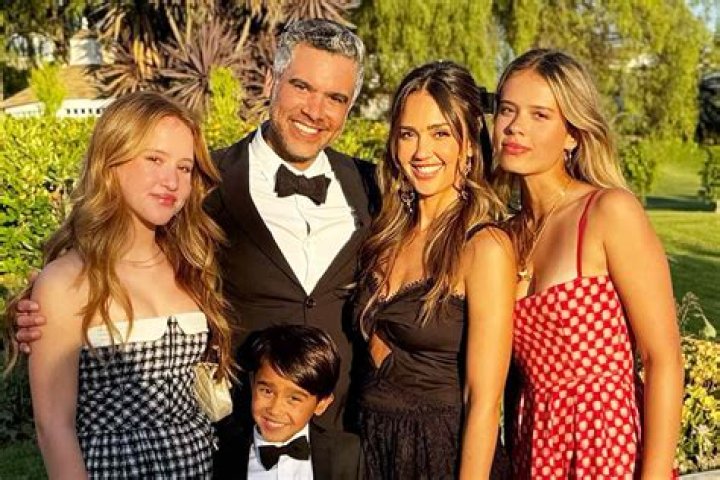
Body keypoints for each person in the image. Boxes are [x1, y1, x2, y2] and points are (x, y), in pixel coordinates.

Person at [14, 19, 376, 434]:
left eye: (335, 97)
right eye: (302, 86)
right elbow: (121, 251)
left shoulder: (372, 187)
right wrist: (46, 305)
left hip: (343, 441)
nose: (315, 109)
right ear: (271, 81)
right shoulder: (201, 181)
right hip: (232, 443)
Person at [3, 91, 234, 478]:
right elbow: (54, 428)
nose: (172, 181)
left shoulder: (192, 264)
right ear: (111, 160)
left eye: (184, 167)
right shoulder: (67, 281)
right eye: (154, 159)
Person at [493, 49, 683, 478]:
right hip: (534, 447)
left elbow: (662, 358)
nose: (516, 126)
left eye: (540, 115)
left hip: (607, 445)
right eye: (507, 109)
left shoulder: (607, 212)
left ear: (572, 134)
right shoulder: (505, 236)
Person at [353, 61, 514, 479]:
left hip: (441, 455)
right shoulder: (385, 233)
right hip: (373, 451)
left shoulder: (484, 247)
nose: (421, 152)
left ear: (469, 145)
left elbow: (483, 402)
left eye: (440, 133)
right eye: (409, 134)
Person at [214, 325, 363, 479]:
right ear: (253, 384)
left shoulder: (347, 454)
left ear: (322, 404)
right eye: (267, 391)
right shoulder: (221, 452)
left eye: (294, 398)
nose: (275, 409)